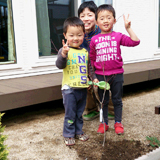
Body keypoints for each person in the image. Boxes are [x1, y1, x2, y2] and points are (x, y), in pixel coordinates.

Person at [89, 4, 140, 134]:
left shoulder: (118, 36)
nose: (105, 21)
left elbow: (135, 41)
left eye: (109, 17)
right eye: (102, 18)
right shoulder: (94, 39)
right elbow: (92, 60)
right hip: (101, 76)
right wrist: (93, 77)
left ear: (114, 20)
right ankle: (104, 123)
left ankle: (118, 122)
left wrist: (128, 28)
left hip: (117, 74)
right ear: (96, 22)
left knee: (117, 100)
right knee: (103, 101)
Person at [56, 17, 98, 146]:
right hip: (69, 89)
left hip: (82, 88)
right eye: (71, 35)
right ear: (65, 35)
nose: (75, 38)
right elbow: (59, 65)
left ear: (84, 35)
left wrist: (93, 78)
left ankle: (78, 131)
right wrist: (63, 54)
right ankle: (68, 134)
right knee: (70, 113)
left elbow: (89, 68)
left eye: (79, 35)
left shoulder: (85, 52)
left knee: (79, 113)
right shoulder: (65, 51)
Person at [78, 1, 101, 121]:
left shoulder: (102, 31)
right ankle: (91, 109)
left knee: (104, 86)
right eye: (82, 16)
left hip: (102, 66)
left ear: (96, 17)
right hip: (86, 66)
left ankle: (111, 109)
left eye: (90, 15)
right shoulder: (78, 34)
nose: (86, 19)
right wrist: (85, 75)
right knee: (84, 84)